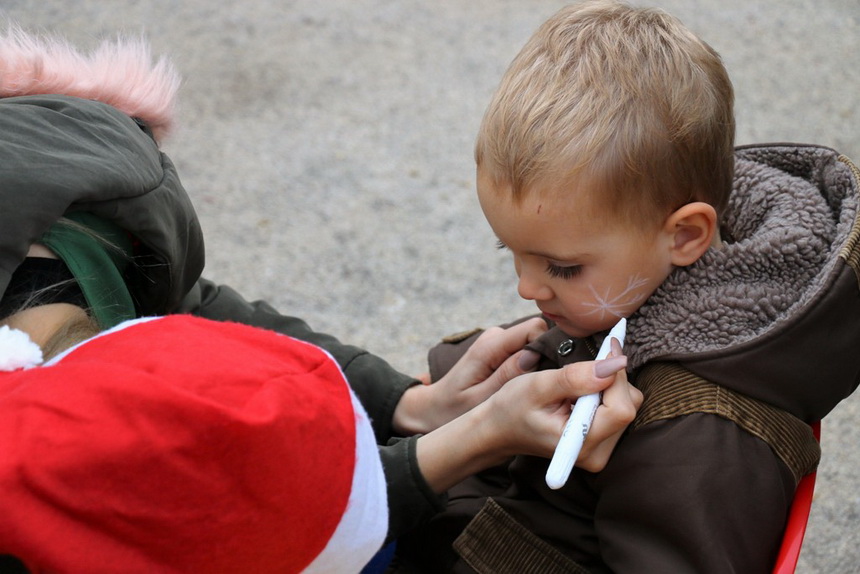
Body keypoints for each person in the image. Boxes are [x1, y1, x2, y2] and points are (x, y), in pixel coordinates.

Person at [0, 25, 641, 572]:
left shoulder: (68, 197)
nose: (527, 291)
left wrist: (407, 403)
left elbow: (188, 299)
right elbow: (267, 520)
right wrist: (473, 440)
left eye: (560, 265)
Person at [392, 1, 860, 572]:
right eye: (509, 252)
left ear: (686, 236)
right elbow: (554, 350)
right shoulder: (633, 287)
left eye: (560, 268)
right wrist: (427, 391)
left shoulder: (704, 437)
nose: (526, 288)